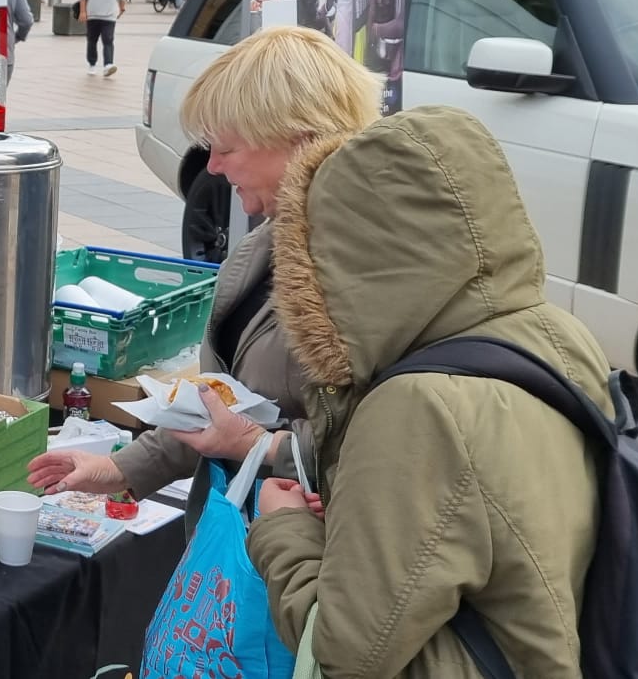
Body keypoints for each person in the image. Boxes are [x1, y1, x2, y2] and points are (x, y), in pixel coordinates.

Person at [247, 105, 611, 676]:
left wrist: (282, 528)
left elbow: (345, 654)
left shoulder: (417, 404)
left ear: (350, 255)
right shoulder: (557, 332)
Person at [27, 26, 379, 521]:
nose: (211, 167)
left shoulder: (371, 268)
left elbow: (387, 442)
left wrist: (263, 446)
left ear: (298, 140)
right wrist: (121, 469)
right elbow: (215, 408)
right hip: (238, 539)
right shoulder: (260, 247)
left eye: (226, 148)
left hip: (313, 560)